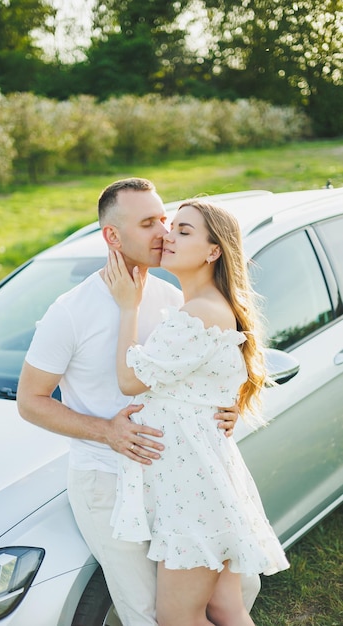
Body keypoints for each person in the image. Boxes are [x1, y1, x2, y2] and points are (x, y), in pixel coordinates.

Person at [17, 178, 261, 626]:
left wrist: (227, 406)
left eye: (166, 220)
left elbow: (212, 364)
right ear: (113, 236)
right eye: (149, 223)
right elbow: (30, 401)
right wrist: (107, 430)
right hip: (109, 482)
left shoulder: (175, 297)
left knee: (227, 597)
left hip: (176, 480)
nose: (164, 232)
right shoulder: (71, 311)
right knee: (150, 614)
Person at [103, 199, 290, 626]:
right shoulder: (207, 307)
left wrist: (128, 307)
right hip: (202, 479)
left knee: (176, 618)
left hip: (191, 491)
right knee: (226, 608)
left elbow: (130, 381)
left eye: (184, 231)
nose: (169, 235)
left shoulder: (199, 313)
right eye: (172, 227)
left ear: (213, 251)